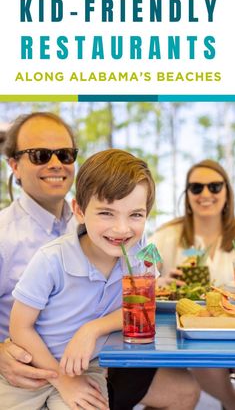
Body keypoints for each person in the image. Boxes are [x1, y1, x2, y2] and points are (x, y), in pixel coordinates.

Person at [0, 148, 156, 409]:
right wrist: (62, 380)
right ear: (79, 211)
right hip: (31, 366)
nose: (122, 228)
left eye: (135, 214)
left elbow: (143, 306)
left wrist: (93, 329)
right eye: (106, 213)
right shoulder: (52, 259)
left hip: (85, 369)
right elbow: (20, 327)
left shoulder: (141, 257)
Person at [0, 112, 78, 390]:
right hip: (22, 375)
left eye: (65, 154)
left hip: (90, 362)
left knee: (182, 392)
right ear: (15, 166)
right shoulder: (3, 235)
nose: (56, 164)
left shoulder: (91, 227)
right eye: (40, 155)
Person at [150, 159, 235, 410]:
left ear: (226, 192)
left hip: (231, 325)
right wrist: (160, 280)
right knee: (202, 349)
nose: (206, 194)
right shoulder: (167, 235)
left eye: (215, 187)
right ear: (187, 195)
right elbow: (139, 266)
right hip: (179, 330)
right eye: (196, 188)